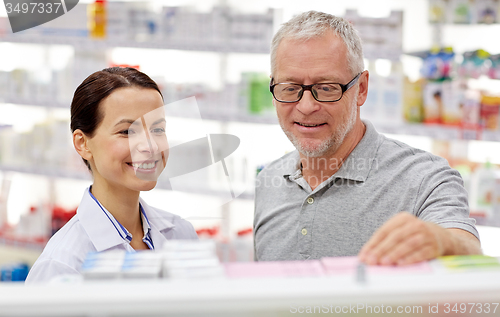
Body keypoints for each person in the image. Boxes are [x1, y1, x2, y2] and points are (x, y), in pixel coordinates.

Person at [253, 11, 481, 265]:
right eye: (291, 88)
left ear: (360, 89)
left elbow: (468, 248)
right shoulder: (267, 181)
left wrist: (443, 241)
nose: (306, 106)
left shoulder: (425, 178)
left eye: (326, 88)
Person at [26, 67, 197, 284]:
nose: (150, 146)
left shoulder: (182, 234)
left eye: (157, 130)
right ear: (82, 143)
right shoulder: (62, 265)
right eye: (126, 132)